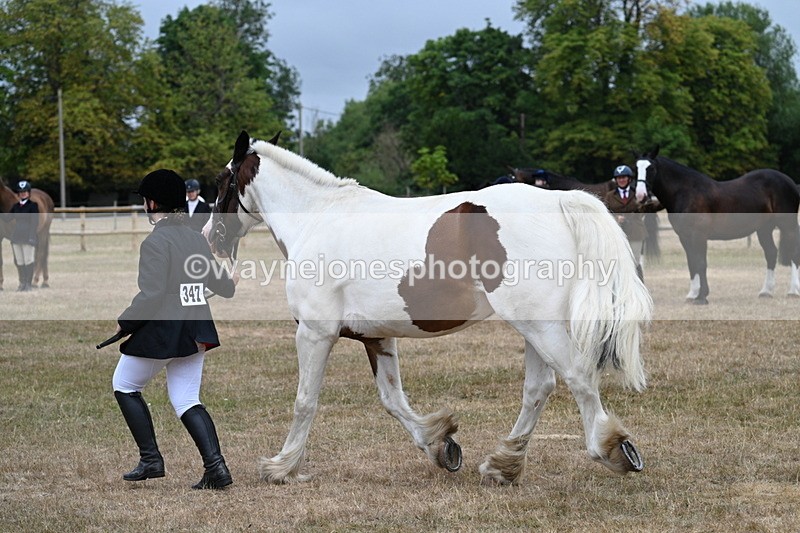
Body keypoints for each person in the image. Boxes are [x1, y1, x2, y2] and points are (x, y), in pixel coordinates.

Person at [112, 169, 238, 490]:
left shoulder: (155, 242)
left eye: (145, 201)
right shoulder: (196, 238)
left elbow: (151, 295)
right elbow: (220, 285)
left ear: (154, 203)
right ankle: (216, 468)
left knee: (124, 383)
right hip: (196, 330)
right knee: (186, 399)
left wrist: (125, 321)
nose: (144, 206)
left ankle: (151, 459)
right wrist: (230, 280)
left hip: (167, 331)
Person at [605, 165, 646, 280]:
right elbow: (606, 213)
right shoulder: (609, 196)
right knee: (618, 262)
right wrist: (615, 218)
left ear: (629, 179)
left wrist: (640, 204)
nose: (621, 180)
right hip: (618, 233)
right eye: (619, 178)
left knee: (635, 262)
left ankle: (639, 288)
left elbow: (643, 212)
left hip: (635, 232)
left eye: (624, 177)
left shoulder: (638, 194)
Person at [10, 180, 39, 291]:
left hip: (28, 236)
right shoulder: (16, 206)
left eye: (25, 192)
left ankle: (28, 283)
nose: (23, 194)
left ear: (29, 193)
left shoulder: (33, 206)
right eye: (21, 192)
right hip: (17, 237)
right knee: (20, 261)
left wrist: (32, 236)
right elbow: (7, 218)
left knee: (28, 260)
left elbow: (34, 222)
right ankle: (22, 282)